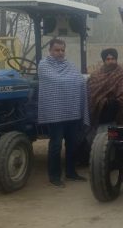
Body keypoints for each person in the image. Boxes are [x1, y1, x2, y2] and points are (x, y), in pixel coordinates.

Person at [38, 38, 89, 187]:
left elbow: (80, 80)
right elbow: (58, 81)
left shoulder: (70, 65)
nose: (60, 53)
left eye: (62, 50)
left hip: (71, 111)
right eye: (56, 50)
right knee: (56, 145)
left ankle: (71, 172)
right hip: (55, 113)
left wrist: (78, 80)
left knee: (72, 144)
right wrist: (72, 81)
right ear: (50, 51)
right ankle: (54, 176)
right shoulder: (44, 65)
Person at [88, 48, 123, 136]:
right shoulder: (96, 75)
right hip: (101, 113)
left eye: (113, 59)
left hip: (118, 110)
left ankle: (117, 140)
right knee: (102, 139)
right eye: (108, 59)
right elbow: (92, 94)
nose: (111, 61)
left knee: (114, 136)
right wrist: (102, 101)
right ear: (104, 61)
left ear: (116, 60)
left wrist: (115, 100)